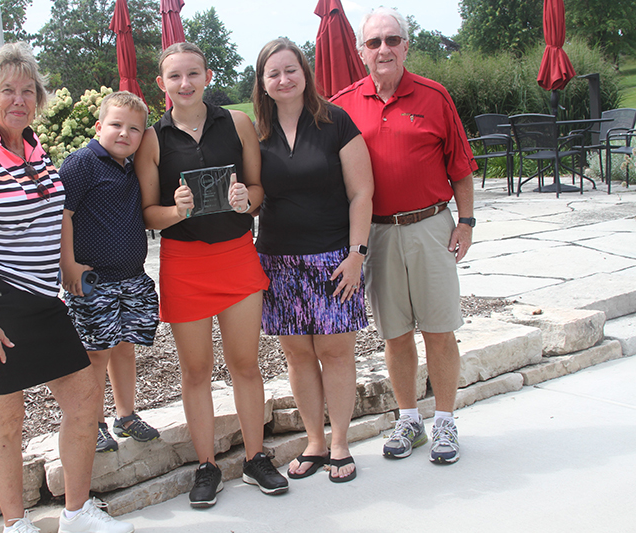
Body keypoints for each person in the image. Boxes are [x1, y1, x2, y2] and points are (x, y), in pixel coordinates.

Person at [0, 42, 134, 533]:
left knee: (86, 398)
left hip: (42, 299)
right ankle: (15, 525)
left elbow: (56, 215)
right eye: (8, 90)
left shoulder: (33, 146)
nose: (19, 99)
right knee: (6, 419)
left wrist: (66, 265)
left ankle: (76, 514)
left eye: (28, 90)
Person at [134, 42, 288, 508]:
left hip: (237, 257)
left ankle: (256, 457)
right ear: (162, 84)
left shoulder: (237, 123)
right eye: (175, 76)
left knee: (246, 365)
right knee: (196, 371)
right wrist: (175, 212)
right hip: (184, 264)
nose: (185, 84)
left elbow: (259, 190)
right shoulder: (152, 138)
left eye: (193, 74)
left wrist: (247, 200)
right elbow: (148, 215)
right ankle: (207, 466)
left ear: (208, 76)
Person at [331, 6, 478, 465]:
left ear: (406, 45)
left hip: (431, 226)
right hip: (377, 235)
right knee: (395, 335)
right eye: (374, 43)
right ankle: (409, 418)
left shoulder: (435, 96)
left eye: (392, 40)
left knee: (439, 329)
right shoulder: (341, 106)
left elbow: (461, 167)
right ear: (360, 52)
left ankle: (446, 422)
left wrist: (466, 221)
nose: (384, 50)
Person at [252, 38, 374, 483]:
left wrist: (357, 254)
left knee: (335, 352)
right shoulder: (255, 134)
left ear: (305, 73)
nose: (283, 79)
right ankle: (315, 442)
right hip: (277, 262)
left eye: (291, 70)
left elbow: (362, 192)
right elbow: (250, 195)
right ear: (263, 84)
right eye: (273, 73)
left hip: (334, 259)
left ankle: (340, 441)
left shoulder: (335, 122)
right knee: (299, 355)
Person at [59, 91, 161, 454]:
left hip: (131, 276)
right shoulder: (82, 163)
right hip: (94, 279)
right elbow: (63, 214)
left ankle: (126, 415)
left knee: (124, 348)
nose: (124, 134)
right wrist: (67, 264)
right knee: (95, 353)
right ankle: (93, 421)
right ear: (99, 125)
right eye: (116, 125)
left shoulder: (132, 167)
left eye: (134, 129)